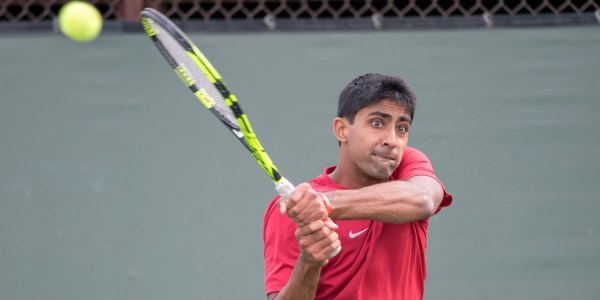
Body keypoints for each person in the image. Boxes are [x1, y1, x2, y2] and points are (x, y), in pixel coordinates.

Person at [263, 73, 453, 300]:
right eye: (377, 123)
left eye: (402, 128)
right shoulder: (290, 211)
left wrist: (325, 203)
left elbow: (422, 199)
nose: (391, 140)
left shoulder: (408, 165)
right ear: (342, 129)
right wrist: (309, 262)